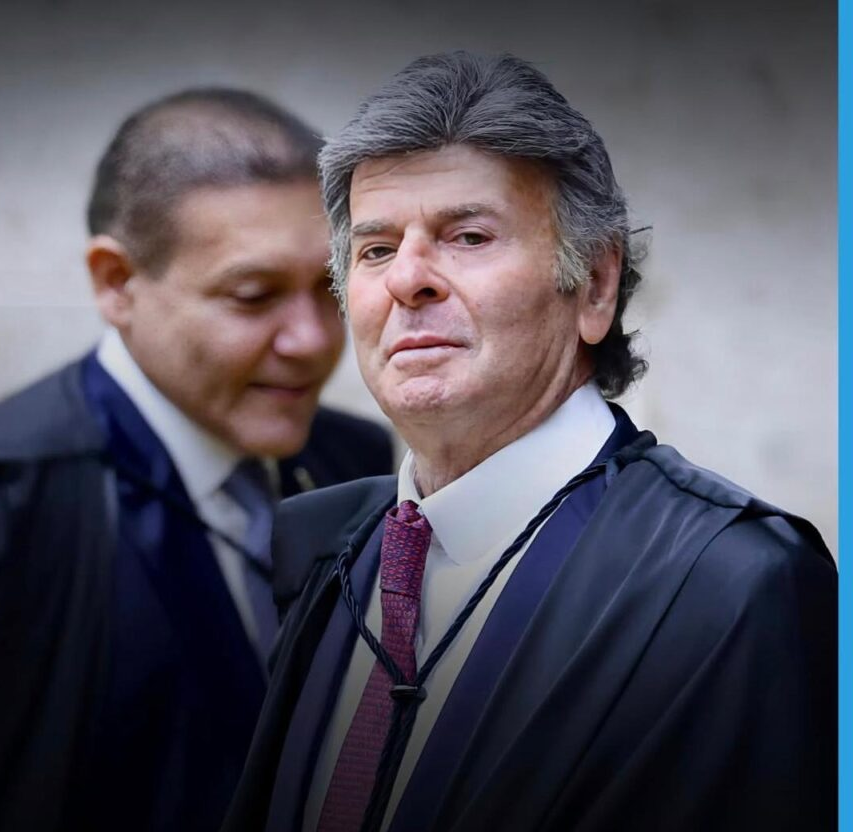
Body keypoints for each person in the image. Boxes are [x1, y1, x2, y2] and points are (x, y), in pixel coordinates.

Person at [224, 52, 836, 832]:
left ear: (596, 286)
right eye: (376, 249)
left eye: (468, 236)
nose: (408, 278)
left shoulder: (735, 585)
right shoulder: (322, 553)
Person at [0, 88, 394, 832]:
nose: (313, 341)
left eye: (332, 287)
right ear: (116, 282)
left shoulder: (354, 459)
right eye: (253, 295)